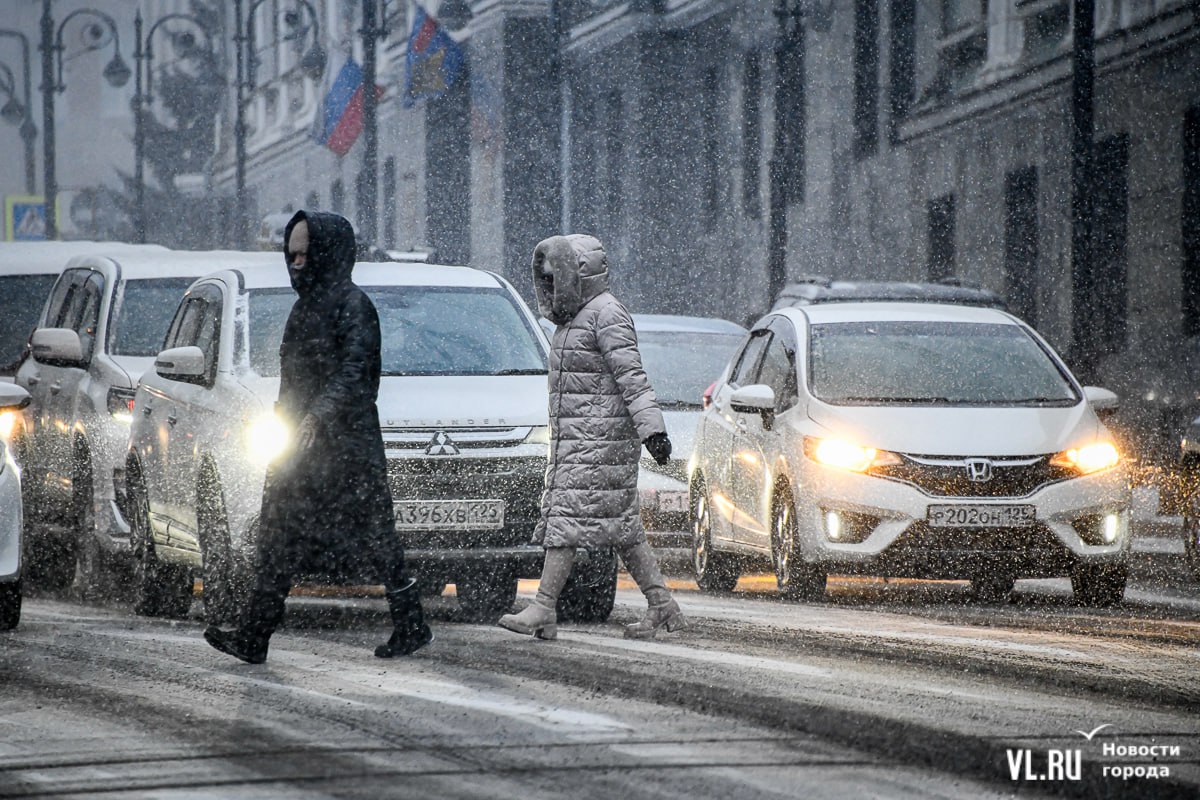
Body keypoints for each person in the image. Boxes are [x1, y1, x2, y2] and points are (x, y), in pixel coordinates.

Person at [205, 210, 432, 664]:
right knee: (278, 537)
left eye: (306, 254)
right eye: (291, 254)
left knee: (377, 539)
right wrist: (289, 422)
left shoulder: (354, 305)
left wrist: (316, 419)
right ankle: (255, 634)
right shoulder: (303, 308)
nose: (296, 263)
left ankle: (410, 622)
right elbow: (297, 382)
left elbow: (355, 375)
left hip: (348, 448)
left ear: (328, 253)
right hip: (299, 447)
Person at [498, 234, 687, 641]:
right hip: (579, 441)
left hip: (600, 444)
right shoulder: (572, 321)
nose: (550, 285)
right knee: (623, 528)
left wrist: (653, 430)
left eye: (557, 276)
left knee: (565, 520)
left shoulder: (606, 314)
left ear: (578, 274)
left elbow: (631, 376)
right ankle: (663, 607)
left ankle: (543, 606)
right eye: (545, 278)